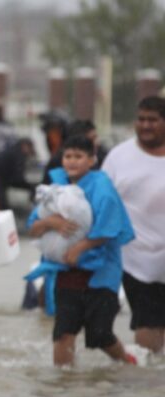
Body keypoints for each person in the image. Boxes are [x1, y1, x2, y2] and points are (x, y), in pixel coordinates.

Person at [27, 135, 136, 367]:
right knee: (63, 332)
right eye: (68, 156)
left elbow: (112, 226)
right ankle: (63, 387)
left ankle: (128, 363)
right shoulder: (55, 188)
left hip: (101, 273)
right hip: (66, 272)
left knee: (99, 335)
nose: (72, 161)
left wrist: (82, 247)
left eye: (79, 156)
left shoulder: (102, 188)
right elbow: (33, 228)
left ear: (92, 160)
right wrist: (50, 223)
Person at [102, 96, 165, 354]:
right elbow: (100, 201)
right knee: (148, 321)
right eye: (141, 119)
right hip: (135, 256)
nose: (146, 125)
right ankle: (145, 385)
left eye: (153, 120)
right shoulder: (119, 157)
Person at [41, 119, 107, 184]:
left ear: (91, 161)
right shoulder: (56, 168)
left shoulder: (103, 157)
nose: (72, 161)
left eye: (78, 157)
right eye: (92, 139)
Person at [0, 137, 36, 211]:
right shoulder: (19, 154)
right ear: (25, 146)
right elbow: (18, 178)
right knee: (1, 203)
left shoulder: (13, 150)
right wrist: (30, 187)